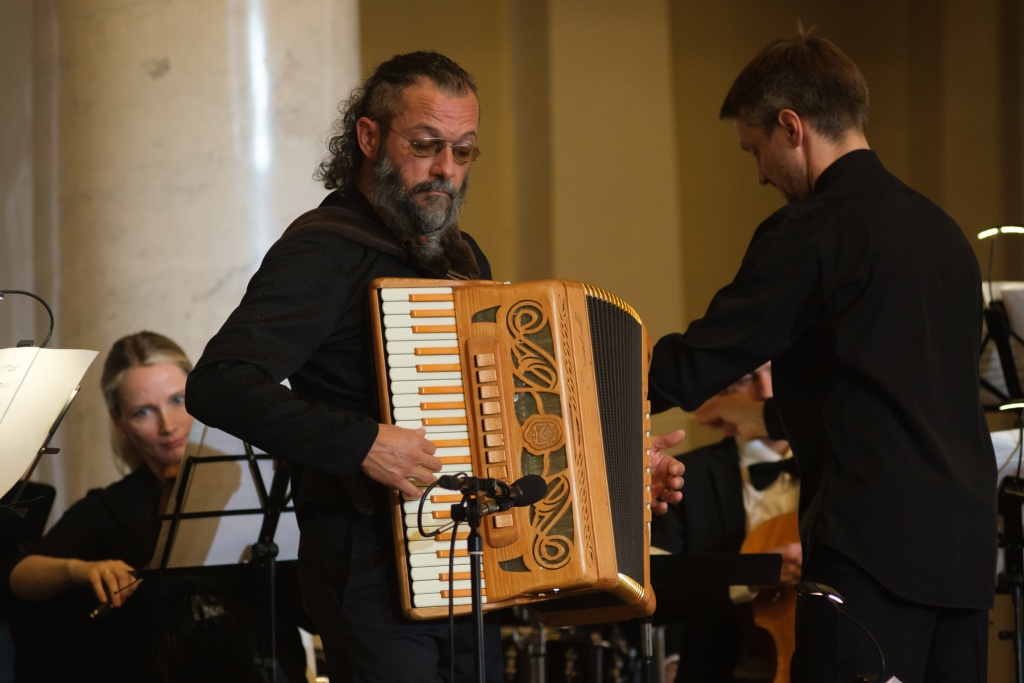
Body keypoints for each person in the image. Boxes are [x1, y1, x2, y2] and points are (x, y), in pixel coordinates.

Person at [185, 50, 684, 683]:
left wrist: (614, 469)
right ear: (369, 137)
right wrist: (362, 442)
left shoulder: (460, 255)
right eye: (426, 146)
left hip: (465, 559)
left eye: (463, 151)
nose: (445, 170)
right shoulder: (324, 249)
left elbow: (508, 409)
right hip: (366, 563)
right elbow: (219, 383)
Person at [647, 30, 996, 683]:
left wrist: (587, 385)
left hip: (870, 553)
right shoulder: (945, 235)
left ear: (791, 126)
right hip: (966, 560)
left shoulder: (812, 228)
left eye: (755, 149)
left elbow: (705, 357)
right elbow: (884, 390)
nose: (757, 173)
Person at [4, 331, 308, 683]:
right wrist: (78, 569)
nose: (168, 426)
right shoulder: (110, 508)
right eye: (143, 411)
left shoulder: (258, 486)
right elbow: (19, 577)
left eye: (179, 399)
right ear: (119, 421)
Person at [653, 363, 800, 683]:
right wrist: (749, 578)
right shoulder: (683, 476)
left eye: (776, 372)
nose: (766, 391)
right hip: (724, 667)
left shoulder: (839, 467)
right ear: (722, 393)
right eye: (748, 378)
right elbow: (655, 593)